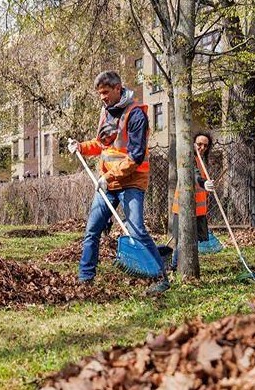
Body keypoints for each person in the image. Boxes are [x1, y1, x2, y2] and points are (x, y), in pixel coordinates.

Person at [67, 70, 170, 296]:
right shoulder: (106, 112)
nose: (102, 97)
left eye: (105, 92)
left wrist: (108, 177)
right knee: (92, 229)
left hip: (132, 181)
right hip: (108, 183)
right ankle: (85, 279)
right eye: (99, 94)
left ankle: (160, 276)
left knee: (136, 229)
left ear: (118, 88)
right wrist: (81, 147)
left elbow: (135, 156)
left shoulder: (136, 115)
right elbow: (102, 144)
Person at [170, 131, 217, 271]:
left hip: (199, 209)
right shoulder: (189, 159)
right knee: (182, 240)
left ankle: (184, 265)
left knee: (193, 240)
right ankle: (174, 266)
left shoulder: (202, 161)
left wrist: (207, 185)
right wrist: (203, 183)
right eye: (199, 144)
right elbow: (194, 175)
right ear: (193, 144)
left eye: (205, 146)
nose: (202, 148)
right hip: (184, 208)